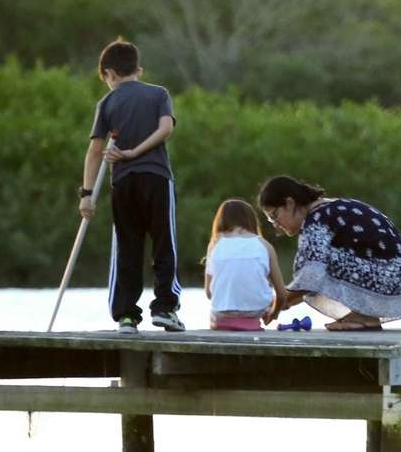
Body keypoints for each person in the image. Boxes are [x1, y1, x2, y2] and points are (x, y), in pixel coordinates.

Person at [79, 38, 183, 334]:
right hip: (157, 179)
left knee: (127, 248)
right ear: (138, 70)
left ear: (109, 74)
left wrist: (87, 195)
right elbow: (166, 129)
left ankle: (126, 315)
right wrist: (138, 152)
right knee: (165, 243)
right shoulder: (159, 94)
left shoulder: (107, 102)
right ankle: (165, 308)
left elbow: (95, 152)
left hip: (123, 183)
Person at [259, 174, 401, 331]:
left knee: (314, 263)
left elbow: (311, 276)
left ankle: (363, 317)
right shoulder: (331, 207)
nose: (276, 227)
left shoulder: (316, 219)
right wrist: (284, 301)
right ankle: (363, 316)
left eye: (275, 216)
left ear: (289, 203)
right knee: (317, 261)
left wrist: (279, 302)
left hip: (391, 276)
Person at [204, 199, 290, 331]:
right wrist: (273, 313)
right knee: (268, 297)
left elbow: (209, 293)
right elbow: (282, 295)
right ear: (251, 220)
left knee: (219, 305)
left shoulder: (215, 244)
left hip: (221, 314)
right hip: (256, 311)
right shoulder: (265, 245)